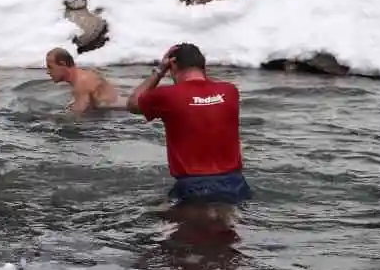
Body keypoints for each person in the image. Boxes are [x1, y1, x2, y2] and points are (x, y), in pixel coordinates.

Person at [126, 43, 249, 214]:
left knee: (182, 238)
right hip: (235, 184)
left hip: (193, 188)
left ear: (173, 65)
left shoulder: (167, 95)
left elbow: (132, 103)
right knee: (229, 236)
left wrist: (159, 71)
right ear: (203, 65)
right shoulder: (230, 91)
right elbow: (204, 92)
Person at [44, 48, 120, 113]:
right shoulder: (81, 77)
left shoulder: (82, 82)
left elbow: (78, 116)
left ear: (63, 64)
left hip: (120, 112)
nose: (48, 71)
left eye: (50, 67)